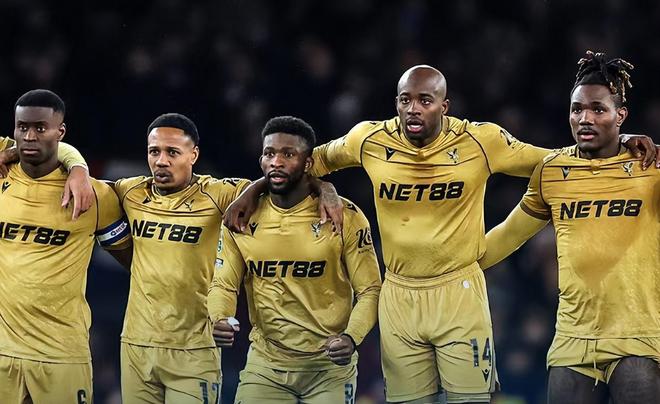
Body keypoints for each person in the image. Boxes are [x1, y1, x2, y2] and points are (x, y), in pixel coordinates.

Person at [225, 65, 659, 404]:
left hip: (459, 291)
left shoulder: (482, 141)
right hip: (399, 293)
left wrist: (621, 141)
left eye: (424, 100)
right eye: (405, 100)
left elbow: (557, 161)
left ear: (444, 106)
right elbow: (302, 162)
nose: (413, 109)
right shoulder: (368, 139)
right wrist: (260, 189)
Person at [112, 113, 343, 404]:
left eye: (172, 152)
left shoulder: (219, 194)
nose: (161, 161)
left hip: (195, 347)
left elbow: (280, 182)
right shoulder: (130, 192)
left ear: (193, 155)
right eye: (154, 151)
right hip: (136, 345)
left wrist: (326, 188)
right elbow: (86, 183)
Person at [478, 51, 660, 404]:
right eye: (577, 109)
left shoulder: (649, 167)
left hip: (637, 335)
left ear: (620, 115)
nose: (585, 118)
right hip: (573, 340)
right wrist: (450, 266)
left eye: (598, 109)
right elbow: (509, 235)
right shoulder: (552, 171)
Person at [208, 116, 382, 403]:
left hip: (328, 367)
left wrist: (351, 337)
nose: (276, 162)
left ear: (308, 163)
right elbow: (223, 284)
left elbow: (370, 290)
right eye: (269, 154)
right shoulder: (240, 217)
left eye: (288, 154)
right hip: (266, 365)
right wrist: (219, 317)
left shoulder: (345, 216)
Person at [0, 89, 132, 403]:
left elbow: (135, 263)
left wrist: (78, 167)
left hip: (61, 354)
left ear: (60, 132)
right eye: (22, 128)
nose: (29, 136)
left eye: (40, 128)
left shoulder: (95, 196)